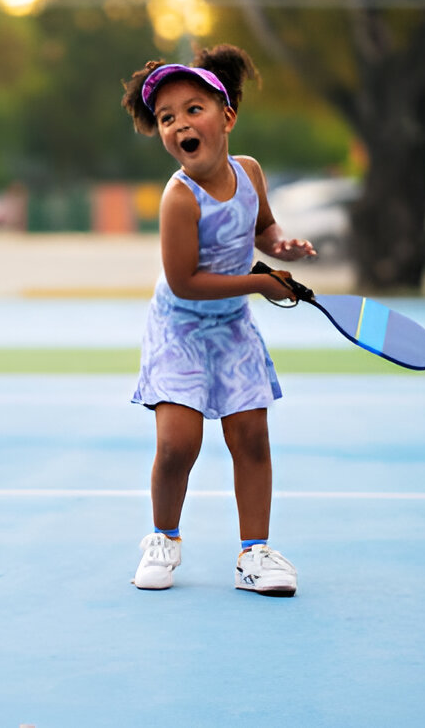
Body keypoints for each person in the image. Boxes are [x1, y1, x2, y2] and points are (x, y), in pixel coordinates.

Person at [120, 45, 316, 594]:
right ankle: (163, 536)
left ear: (226, 117)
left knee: (251, 436)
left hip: (233, 329)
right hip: (179, 329)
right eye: (166, 118)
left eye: (193, 109)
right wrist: (260, 282)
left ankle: (255, 554)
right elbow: (184, 281)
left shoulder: (249, 172)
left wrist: (282, 246)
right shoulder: (178, 200)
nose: (180, 123)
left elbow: (263, 228)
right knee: (177, 446)